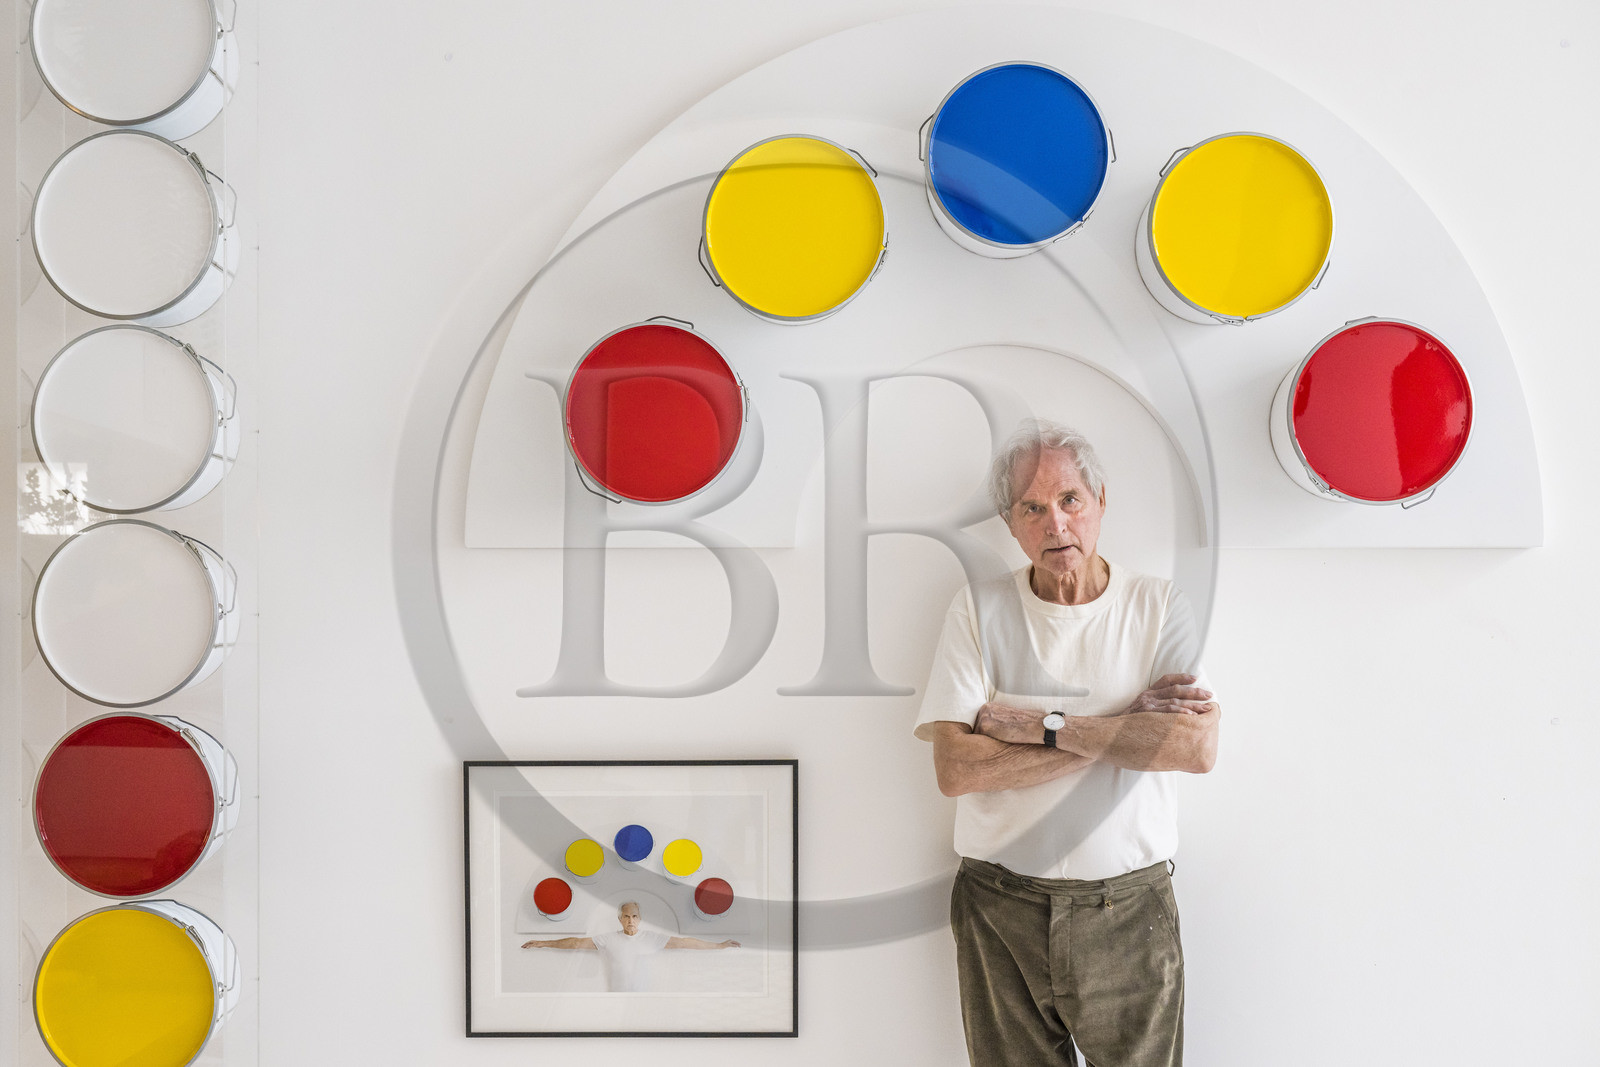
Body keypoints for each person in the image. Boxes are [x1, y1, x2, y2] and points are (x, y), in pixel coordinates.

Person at [915, 419, 1220, 1067]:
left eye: (1070, 500)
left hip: (1128, 910)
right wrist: (1125, 729)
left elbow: (1193, 747)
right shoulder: (977, 610)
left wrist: (1042, 724)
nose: (1055, 524)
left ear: (1101, 501)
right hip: (1000, 907)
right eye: (1032, 507)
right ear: (1009, 520)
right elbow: (957, 768)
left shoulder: (1160, 606)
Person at [520, 901, 740, 992]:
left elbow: (685, 943)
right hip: (615, 1000)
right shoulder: (607, 939)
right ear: (620, 919)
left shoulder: (652, 938)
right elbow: (576, 943)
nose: (630, 920)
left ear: (640, 918)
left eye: (634, 916)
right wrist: (542, 943)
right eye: (626, 917)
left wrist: (719, 946)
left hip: (645, 1002)